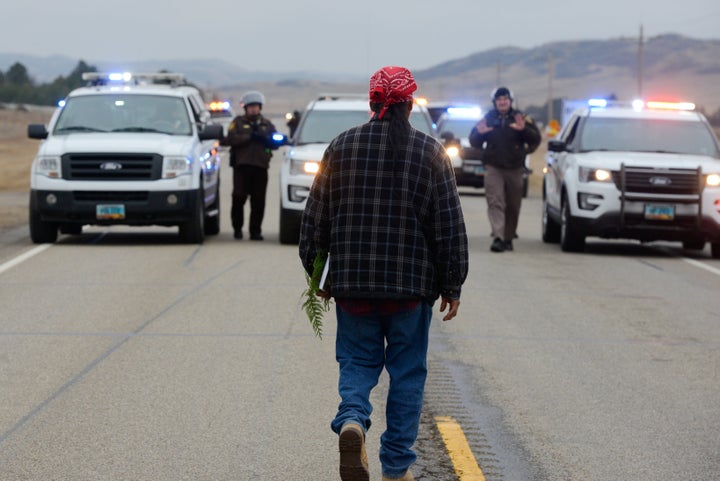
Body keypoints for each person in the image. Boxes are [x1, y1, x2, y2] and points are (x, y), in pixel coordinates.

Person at [299, 66, 469, 481]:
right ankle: (396, 468)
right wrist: (453, 283)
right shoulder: (430, 152)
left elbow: (315, 221)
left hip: (354, 287)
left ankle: (353, 420)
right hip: (410, 293)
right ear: (410, 104)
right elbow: (448, 225)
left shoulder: (341, 147)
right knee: (407, 374)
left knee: (357, 363)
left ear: (372, 103)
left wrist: (318, 276)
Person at [469, 86, 541, 252]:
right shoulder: (487, 118)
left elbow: (536, 139)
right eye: (499, 99)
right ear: (495, 102)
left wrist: (524, 132)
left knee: (513, 205)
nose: (502, 102)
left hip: (515, 168)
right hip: (493, 167)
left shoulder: (520, 118)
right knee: (495, 201)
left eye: (505, 99)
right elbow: (474, 142)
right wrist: (480, 134)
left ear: (510, 101)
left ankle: (508, 237)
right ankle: (498, 237)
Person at [221, 91, 279, 240]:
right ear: (245, 108)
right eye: (250, 106)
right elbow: (229, 140)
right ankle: (237, 229)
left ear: (260, 107)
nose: (253, 109)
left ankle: (255, 231)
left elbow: (276, 142)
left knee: (258, 201)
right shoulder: (237, 122)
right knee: (238, 198)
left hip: (260, 167)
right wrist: (248, 137)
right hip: (242, 167)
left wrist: (266, 139)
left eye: (256, 106)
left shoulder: (267, 124)